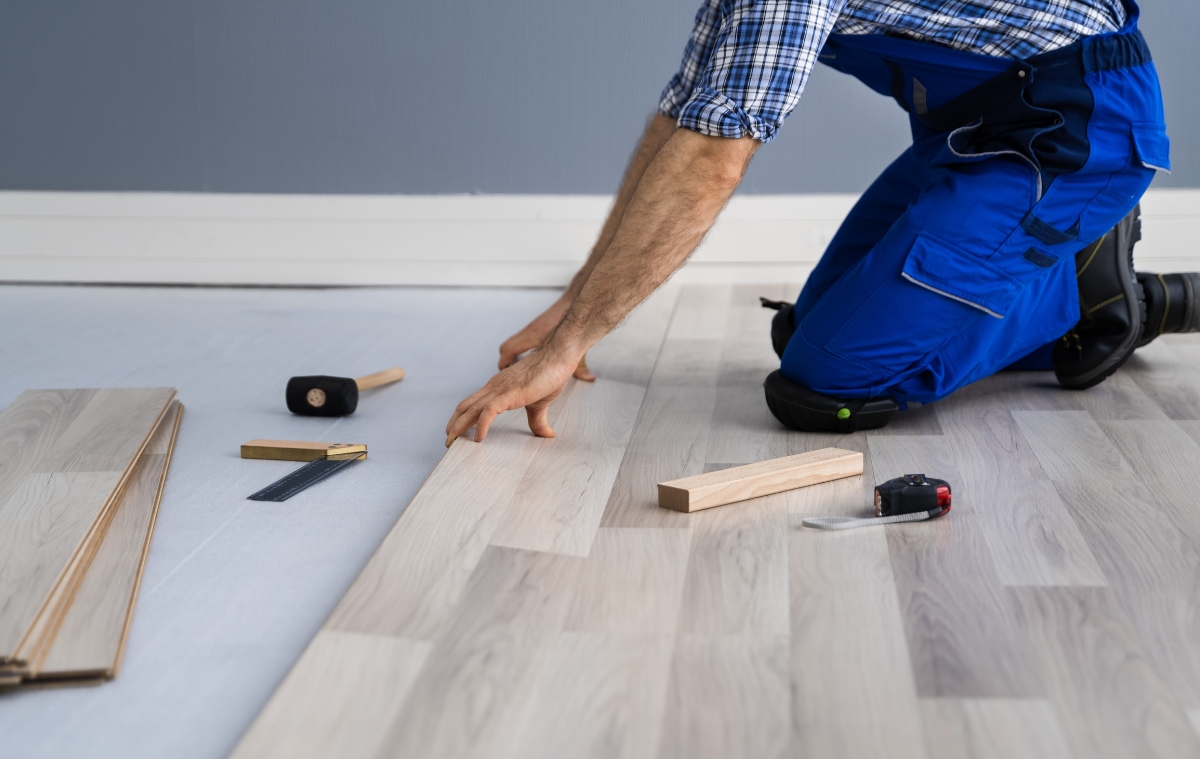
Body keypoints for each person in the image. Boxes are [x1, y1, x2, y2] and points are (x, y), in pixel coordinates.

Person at [446, 0, 1198, 445]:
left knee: (827, 383)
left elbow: (713, 157)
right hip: (978, 136)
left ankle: (1087, 292)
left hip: (1071, 136)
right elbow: (684, 115)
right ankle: (1064, 269)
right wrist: (577, 303)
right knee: (805, 330)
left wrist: (574, 340)